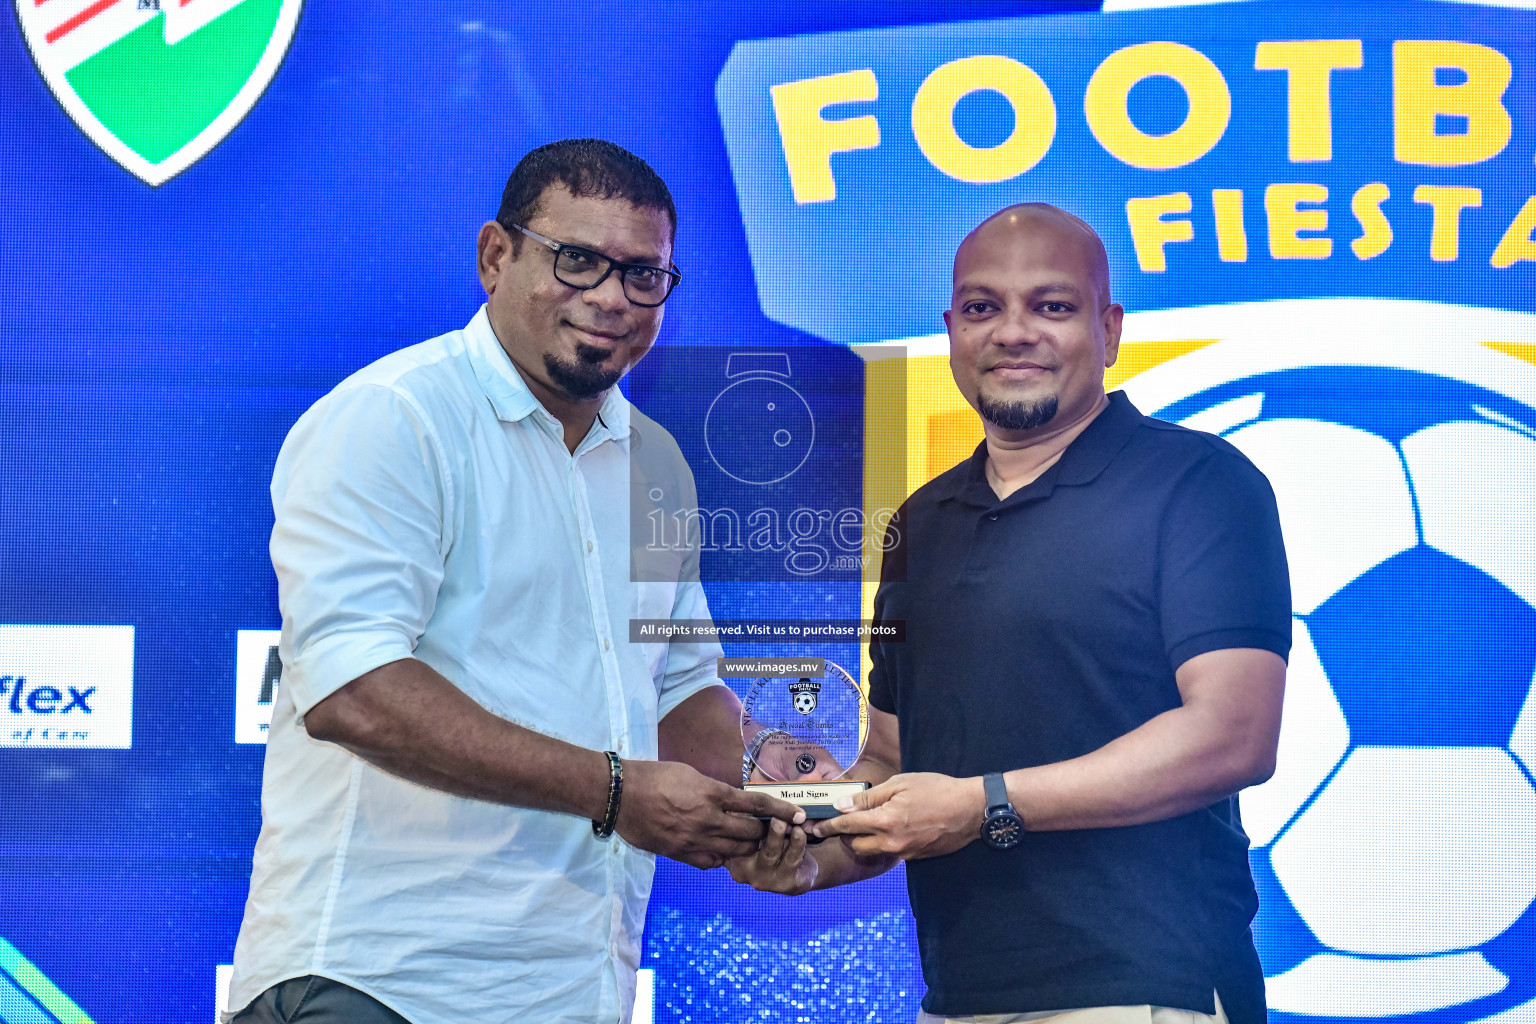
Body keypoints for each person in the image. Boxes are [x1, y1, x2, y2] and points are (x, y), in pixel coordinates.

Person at [224, 139, 801, 1024]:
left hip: (570, 987)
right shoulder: (396, 418)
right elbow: (352, 689)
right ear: (497, 256)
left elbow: (679, 693)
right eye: (578, 261)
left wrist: (777, 780)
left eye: (644, 274)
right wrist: (617, 790)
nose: (612, 297)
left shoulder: (656, 464)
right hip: (379, 983)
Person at [729, 203, 1291, 1024]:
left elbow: (1233, 735)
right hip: (958, 997)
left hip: (1145, 987)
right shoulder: (918, 524)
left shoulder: (1199, 484)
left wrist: (984, 803)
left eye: (1052, 306)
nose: (1013, 332)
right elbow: (890, 762)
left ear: (1109, 328)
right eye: (984, 308)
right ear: (953, 329)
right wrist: (807, 845)